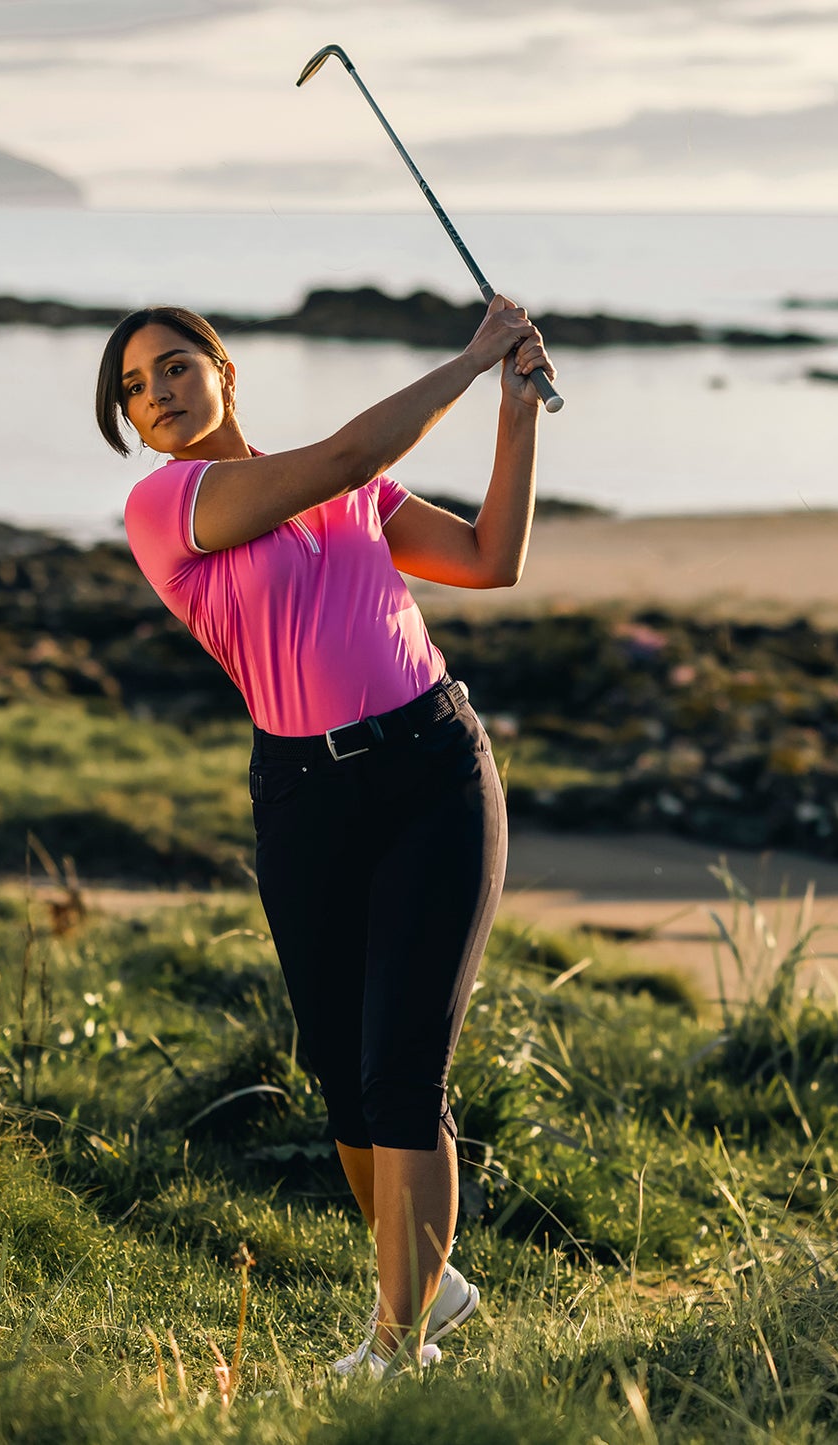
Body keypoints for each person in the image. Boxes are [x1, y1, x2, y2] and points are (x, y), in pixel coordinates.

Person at [99, 295, 551, 1376]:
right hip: (303, 795)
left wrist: (514, 409)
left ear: (221, 368)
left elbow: (491, 558)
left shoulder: (356, 495)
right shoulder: (165, 506)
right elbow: (343, 451)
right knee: (345, 1084)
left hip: (434, 771)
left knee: (402, 1076)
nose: (155, 394)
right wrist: (469, 354)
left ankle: (395, 1344)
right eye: (132, 389)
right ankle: (425, 1278)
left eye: (170, 367)